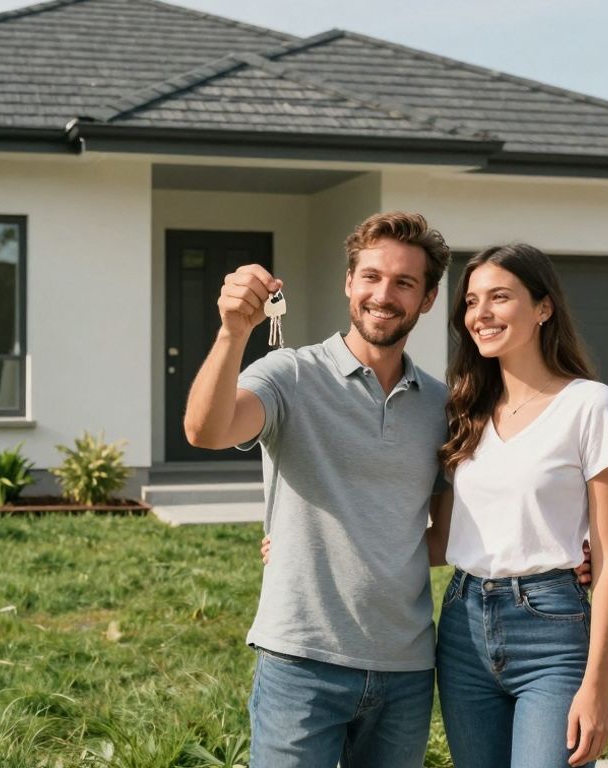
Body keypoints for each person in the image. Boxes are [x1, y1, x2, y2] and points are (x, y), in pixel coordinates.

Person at [183, 211, 452, 768]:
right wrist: (234, 331)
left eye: (405, 282)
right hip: (301, 661)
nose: (384, 294)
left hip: (405, 669)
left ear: (427, 299)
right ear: (349, 283)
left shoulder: (441, 405)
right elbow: (205, 430)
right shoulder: (289, 375)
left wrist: (568, 555)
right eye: (372, 277)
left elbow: (448, 538)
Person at [433, 243, 608, 768]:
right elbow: (438, 537)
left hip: (551, 630)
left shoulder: (591, 405)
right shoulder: (463, 407)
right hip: (461, 625)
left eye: (500, 297)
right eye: (472, 302)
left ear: (544, 308)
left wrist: (597, 687)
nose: (482, 314)